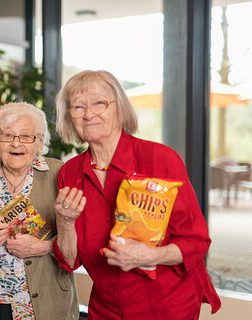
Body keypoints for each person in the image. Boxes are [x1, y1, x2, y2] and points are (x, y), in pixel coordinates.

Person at [52, 70, 221, 320]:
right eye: (78, 107)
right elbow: (71, 260)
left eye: (99, 103)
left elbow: (196, 241)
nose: (89, 114)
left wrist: (153, 255)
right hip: (107, 307)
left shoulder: (160, 159)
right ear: (70, 117)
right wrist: (65, 223)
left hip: (166, 305)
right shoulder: (70, 172)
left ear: (119, 107)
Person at [0, 102, 79, 320]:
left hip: (45, 299)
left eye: (25, 136)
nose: (16, 144)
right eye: (7, 136)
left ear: (39, 142)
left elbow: (77, 238)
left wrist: (43, 247)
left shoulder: (58, 172)